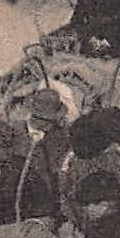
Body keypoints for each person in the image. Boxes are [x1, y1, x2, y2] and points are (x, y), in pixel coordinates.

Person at [15, 89, 72, 223]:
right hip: (19, 208)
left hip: (50, 209)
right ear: (35, 117)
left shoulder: (61, 136)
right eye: (49, 120)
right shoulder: (14, 135)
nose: (53, 124)